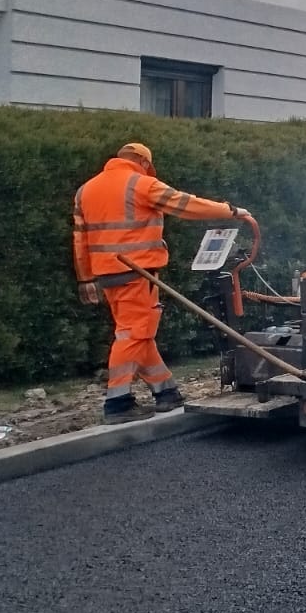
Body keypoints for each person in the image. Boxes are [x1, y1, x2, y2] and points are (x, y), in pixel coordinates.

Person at [72, 143, 246, 424]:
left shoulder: (86, 190)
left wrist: (85, 278)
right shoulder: (140, 184)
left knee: (138, 333)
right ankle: (118, 402)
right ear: (141, 160)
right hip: (137, 270)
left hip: (107, 274)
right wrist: (229, 211)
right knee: (132, 335)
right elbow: (185, 204)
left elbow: (80, 238)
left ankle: (166, 392)